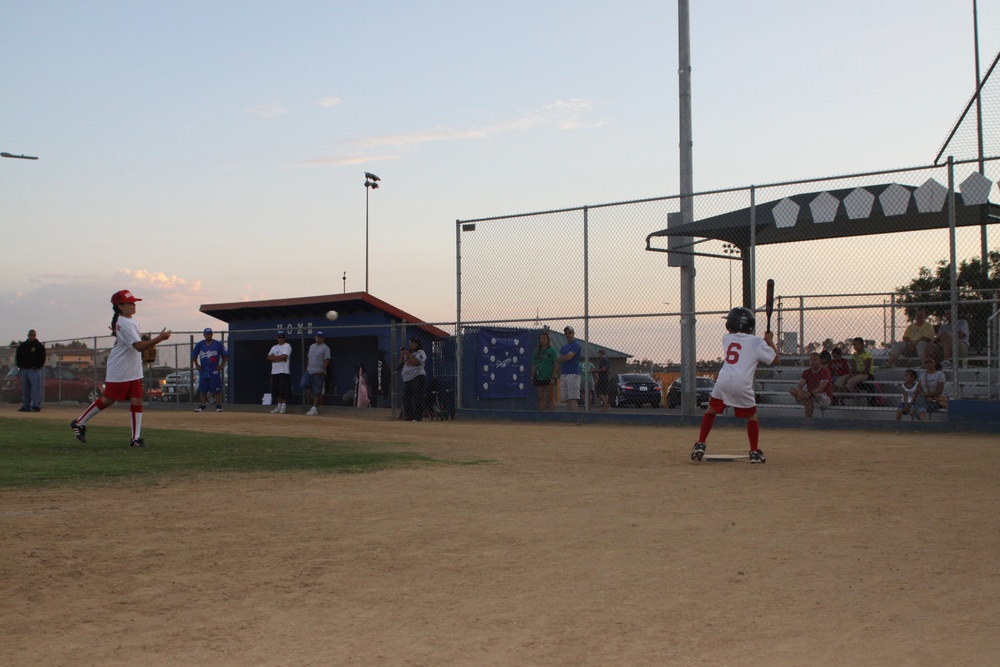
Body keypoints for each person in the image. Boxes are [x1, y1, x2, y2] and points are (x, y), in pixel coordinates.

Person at [70, 290, 170, 447]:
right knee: (109, 399)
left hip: (133, 368)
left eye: (133, 302)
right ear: (120, 306)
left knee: (137, 399)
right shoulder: (123, 323)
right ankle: (78, 422)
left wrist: (145, 339)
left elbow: (136, 341)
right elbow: (138, 347)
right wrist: (159, 338)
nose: (133, 305)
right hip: (120, 368)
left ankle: (135, 439)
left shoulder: (131, 321)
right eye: (129, 303)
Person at [691, 307, 779, 464]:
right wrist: (769, 341)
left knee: (711, 410)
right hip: (742, 384)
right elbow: (775, 360)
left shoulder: (727, 339)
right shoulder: (756, 342)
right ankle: (754, 452)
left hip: (723, 380)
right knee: (751, 416)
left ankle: (700, 444)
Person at [192, 327, 228, 412]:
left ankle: (218, 405)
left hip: (214, 370)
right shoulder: (200, 344)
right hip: (204, 370)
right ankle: (202, 405)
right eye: (207, 334)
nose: (208, 335)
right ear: (204, 335)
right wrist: (197, 365)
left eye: (210, 334)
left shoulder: (217, 344)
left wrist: (222, 365)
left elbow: (225, 355)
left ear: (212, 334)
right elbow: (194, 355)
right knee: (203, 389)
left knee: (216, 389)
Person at [788, 352, 832, 418]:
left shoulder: (825, 371)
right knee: (792, 390)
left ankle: (804, 399)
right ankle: (808, 421)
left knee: (808, 397)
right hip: (810, 395)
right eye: (811, 360)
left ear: (819, 361)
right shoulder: (806, 372)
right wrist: (799, 391)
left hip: (823, 396)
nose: (812, 362)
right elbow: (800, 384)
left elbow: (821, 388)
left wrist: (809, 393)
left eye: (814, 360)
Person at [15, 329, 46, 412]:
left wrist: (37, 366)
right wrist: (19, 365)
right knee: (25, 389)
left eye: (33, 335)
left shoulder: (38, 346)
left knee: (36, 388)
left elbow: (42, 357)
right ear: (27, 335)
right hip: (25, 370)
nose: (32, 337)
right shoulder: (23, 346)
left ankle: (36, 405)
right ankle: (26, 406)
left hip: (34, 370)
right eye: (30, 335)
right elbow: (18, 355)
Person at [301, 331, 331, 415]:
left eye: (320, 337)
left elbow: (327, 360)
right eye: (317, 337)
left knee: (317, 391)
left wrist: (322, 370)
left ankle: (314, 408)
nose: (318, 338)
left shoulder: (325, 348)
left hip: (318, 372)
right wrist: (307, 367)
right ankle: (311, 392)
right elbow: (308, 358)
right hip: (309, 371)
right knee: (303, 384)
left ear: (323, 339)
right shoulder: (312, 346)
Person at [399, 337, 427, 421]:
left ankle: (418, 417)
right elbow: (401, 363)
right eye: (409, 343)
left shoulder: (420, 352)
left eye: (412, 343)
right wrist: (402, 354)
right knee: (405, 397)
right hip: (407, 378)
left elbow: (416, 363)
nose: (410, 345)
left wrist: (408, 354)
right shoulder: (409, 353)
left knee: (418, 396)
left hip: (417, 376)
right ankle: (409, 416)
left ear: (416, 344)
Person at [555, 326, 582, 411]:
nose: (568, 335)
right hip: (564, 374)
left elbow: (569, 357)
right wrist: (562, 357)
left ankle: (576, 418)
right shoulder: (564, 347)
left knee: (572, 398)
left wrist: (561, 357)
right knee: (567, 398)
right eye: (566, 333)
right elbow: (558, 360)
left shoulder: (576, 345)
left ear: (573, 334)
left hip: (573, 374)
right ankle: (571, 417)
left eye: (570, 333)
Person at [531, 331, 558, 411]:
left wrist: (553, 377)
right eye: (541, 339)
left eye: (545, 339)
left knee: (551, 398)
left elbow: (556, 364)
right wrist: (532, 376)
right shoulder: (537, 351)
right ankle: (543, 416)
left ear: (548, 340)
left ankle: (553, 417)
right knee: (540, 397)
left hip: (549, 377)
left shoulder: (552, 350)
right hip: (539, 377)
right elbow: (534, 365)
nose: (543, 340)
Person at [912, 357, 946, 421]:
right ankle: (924, 420)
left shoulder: (940, 374)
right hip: (924, 399)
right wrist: (924, 396)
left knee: (918, 403)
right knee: (919, 399)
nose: (928, 364)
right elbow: (919, 388)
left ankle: (923, 420)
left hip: (935, 400)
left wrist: (928, 396)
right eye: (926, 362)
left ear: (935, 363)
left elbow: (939, 390)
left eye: (930, 362)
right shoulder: (922, 374)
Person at [267, 331, 292, 414]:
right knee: (276, 389)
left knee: (283, 389)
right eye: (279, 337)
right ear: (277, 338)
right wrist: (278, 358)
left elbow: (284, 356)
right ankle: (278, 405)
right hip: (274, 371)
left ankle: (283, 405)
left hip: (283, 371)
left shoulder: (287, 346)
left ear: (284, 338)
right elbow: (269, 357)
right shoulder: (274, 347)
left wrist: (275, 358)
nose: (281, 339)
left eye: (282, 337)